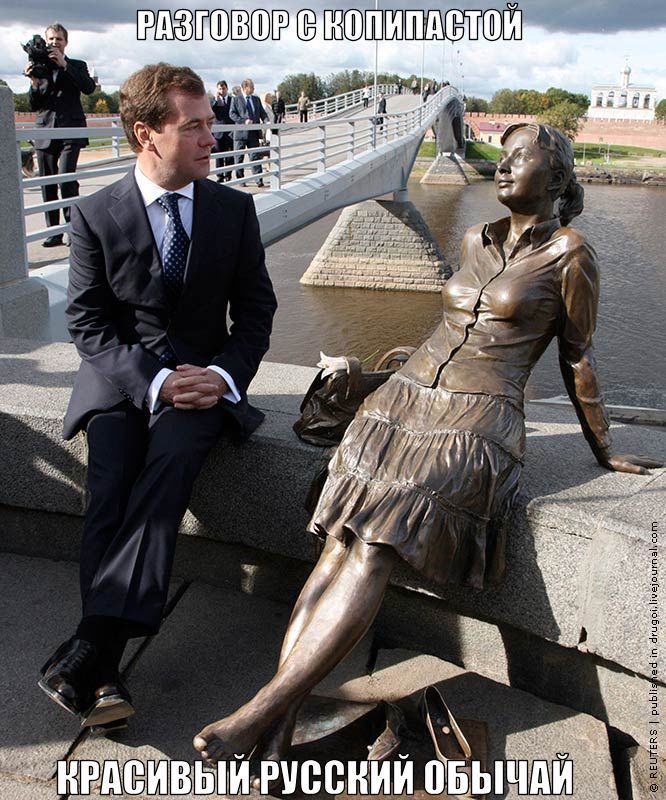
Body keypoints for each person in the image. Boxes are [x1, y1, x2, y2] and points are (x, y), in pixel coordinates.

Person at [192, 123, 661, 766]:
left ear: (555, 179)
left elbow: (578, 357)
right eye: (501, 157)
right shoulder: (473, 238)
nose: (502, 167)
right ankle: (280, 724)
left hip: (480, 419)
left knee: (374, 545)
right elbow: (443, 333)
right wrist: (372, 380)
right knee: (336, 542)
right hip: (403, 400)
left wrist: (604, 446)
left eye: (518, 158)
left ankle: (257, 712)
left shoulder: (571, 255)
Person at [38, 63, 277, 729]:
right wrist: (152, 381)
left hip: (201, 385)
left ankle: (93, 652)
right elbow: (88, 323)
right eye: (194, 126)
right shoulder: (94, 214)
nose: (211, 137)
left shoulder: (233, 210)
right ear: (147, 134)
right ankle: (102, 666)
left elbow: (255, 315)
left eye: (210, 122)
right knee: (110, 481)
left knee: (171, 461)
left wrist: (222, 376)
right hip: (122, 381)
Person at [25, 22, 96, 247]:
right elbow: (33, 105)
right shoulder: (40, 66)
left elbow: (88, 88)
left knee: (66, 180)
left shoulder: (77, 65)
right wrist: (34, 83)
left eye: (59, 39)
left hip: (70, 130)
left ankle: (73, 230)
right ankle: (54, 232)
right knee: (47, 183)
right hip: (45, 129)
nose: (54, 42)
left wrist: (64, 64)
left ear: (66, 42)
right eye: (51, 39)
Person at [230, 78, 268, 187]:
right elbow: (232, 114)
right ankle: (241, 180)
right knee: (239, 158)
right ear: (245, 87)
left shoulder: (256, 99)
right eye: (251, 86)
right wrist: (243, 121)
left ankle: (259, 180)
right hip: (240, 134)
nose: (253, 88)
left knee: (255, 157)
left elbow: (262, 113)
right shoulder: (236, 99)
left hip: (253, 133)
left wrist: (267, 122)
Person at [210, 80, 234, 183]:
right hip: (218, 132)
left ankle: (228, 174)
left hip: (230, 131)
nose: (222, 91)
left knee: (229, 154)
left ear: (227, 88)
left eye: (223, 88)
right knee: (219, 155)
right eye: (220, 89)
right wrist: (216, 100)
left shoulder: (232, 100)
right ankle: (220, 175)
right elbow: (210, 111)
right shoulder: (213, 100)